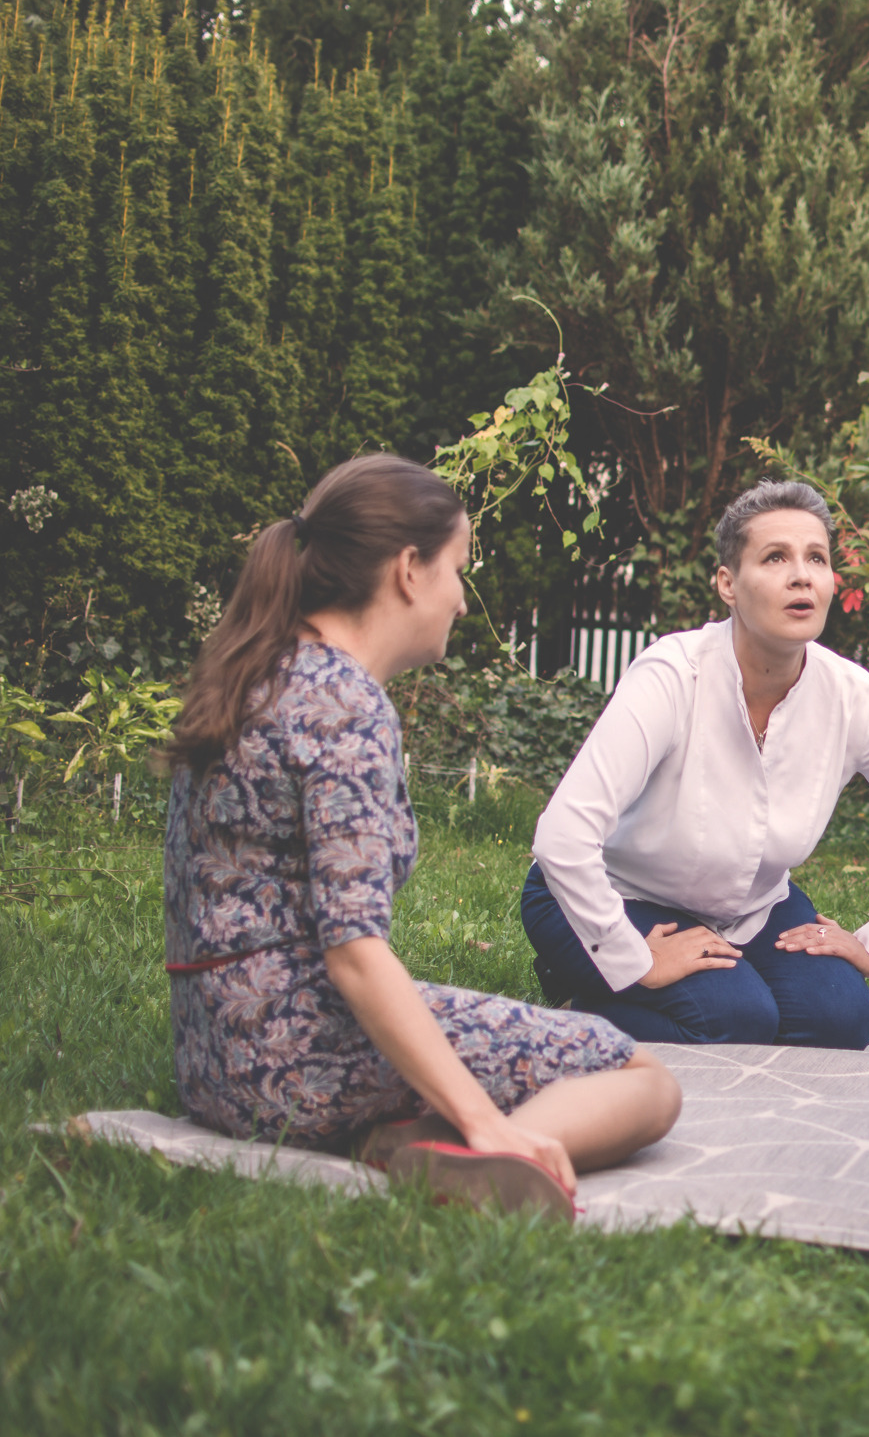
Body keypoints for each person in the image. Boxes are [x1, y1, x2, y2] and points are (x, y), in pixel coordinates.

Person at [162, 454, 681, 1220]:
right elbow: (356, 957)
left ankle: (400, 1135)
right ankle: (479, 1156)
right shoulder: (345, 706)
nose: (462, 601)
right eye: (458, 569)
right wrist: (483, 1114)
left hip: (213, 1062)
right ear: (409, 569)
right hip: (299, 1056)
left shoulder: (257, 673)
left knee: (522, 1038)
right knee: (643, 1077)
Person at [520, 480, 869, 1049]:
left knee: (840, 1021)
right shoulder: (673, 675)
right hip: (612, 895)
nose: (801, 575)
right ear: (727, 584)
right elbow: (563, 837)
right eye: (775, 557)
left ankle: (718, 987)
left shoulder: (848, 695)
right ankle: (576, 994)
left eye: (816, 557)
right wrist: (632, 956)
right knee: (736, 1020)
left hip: (753, 911)